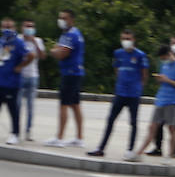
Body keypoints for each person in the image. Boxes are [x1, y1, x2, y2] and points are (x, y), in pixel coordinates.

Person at [88, 29, 147, 157]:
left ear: (133, 40)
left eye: (128, 39)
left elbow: (144, 75)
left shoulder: (140, 55)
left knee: (133, 122)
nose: (126, 41)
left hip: (133, 94)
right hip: (120, 92)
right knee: (110, 120)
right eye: (124, 38)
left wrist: (138, 88)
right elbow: (117, 70)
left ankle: (130, 149)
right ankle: (101, 148)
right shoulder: (118, 53)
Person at [129, 45, 175, 163]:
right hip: (161, 99)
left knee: (171, 128)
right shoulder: (164, 65)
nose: (163, 59)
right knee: (152, 127)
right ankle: (139, 153)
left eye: (164, 57)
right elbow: (164, 79)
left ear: (169, 54)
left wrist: (167, 80)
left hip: (172, 101)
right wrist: (160, 80)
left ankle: (170, 155)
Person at [45, 9, 85, 147]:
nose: (61, 20)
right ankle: (79, 138)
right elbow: (59, 48)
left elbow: (62, 53)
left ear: (71, 20)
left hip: (70, 73)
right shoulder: (68, 34)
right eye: (60, 17)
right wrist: (57, 50)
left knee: (64, 104)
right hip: (74, 73)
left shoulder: (71, 35)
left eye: (65, 18)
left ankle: (59, 137)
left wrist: (53, 51)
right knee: (75, 105)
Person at [0, 20, 28, 145]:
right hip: (1, 80)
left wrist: (20, 66)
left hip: (12, 82)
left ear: (14, 28)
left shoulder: (18, 42)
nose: (6, 29)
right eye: (4, 27)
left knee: (13, 109)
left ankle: (15, 133)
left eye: (9, 27)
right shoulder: (1, 42)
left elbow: (29, 56)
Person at [18, 20, 42, 141]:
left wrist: (34, 43)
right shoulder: (18, 40)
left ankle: (28, 131)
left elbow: (43, 56)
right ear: (22, 28)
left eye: (32, 27)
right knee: (17, 105)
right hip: (20, 77)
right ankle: (15, 130)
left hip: (33, 76)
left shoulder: (38, 41)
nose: (29, 29)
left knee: (30, 106)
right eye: (27, 26)